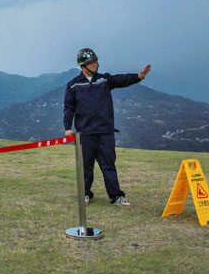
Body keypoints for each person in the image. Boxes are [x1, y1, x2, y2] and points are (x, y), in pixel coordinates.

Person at [63, 48, 151, 207]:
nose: (95, 64)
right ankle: (85, 194)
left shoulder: (104, 80)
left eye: (96, 61)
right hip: (85, 133)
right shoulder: (73, 85)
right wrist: (67, 127)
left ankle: (116, 196)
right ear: (83, 65)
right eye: (91, 62)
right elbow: (69, 107)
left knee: (108, 165)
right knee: (86, 167)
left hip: (105, 132)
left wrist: (138, 77)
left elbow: (120, 80)